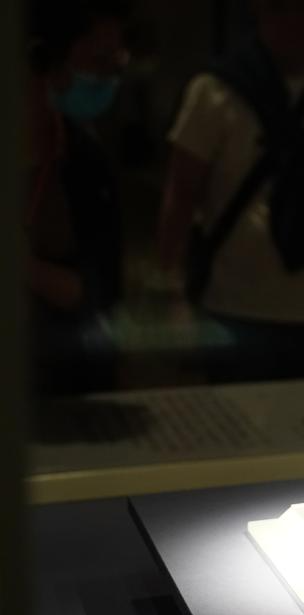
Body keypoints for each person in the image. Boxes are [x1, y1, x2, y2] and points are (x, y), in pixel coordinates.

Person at [156, 0, 304, 383]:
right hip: (233, 305)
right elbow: (181, 195)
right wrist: (171, 293)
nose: (295, 20)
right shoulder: (216, 89)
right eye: (280, 8)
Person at [25, 0, 130, 395]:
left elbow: (98, 290)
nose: (109, 76)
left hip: (66, 382)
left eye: (116, 62)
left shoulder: (85, 158)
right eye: (98, 60)